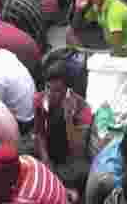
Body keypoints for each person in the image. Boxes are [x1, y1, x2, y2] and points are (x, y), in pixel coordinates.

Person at [33, 61, 93, 190]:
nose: (50, 94)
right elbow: (39, 133)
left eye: (56, 91)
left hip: (70, 158)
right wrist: (45, 159)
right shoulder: (40, 100)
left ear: (66, 90)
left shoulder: (83, 109)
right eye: (48, 87)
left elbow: (78, 151)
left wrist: (69, 119)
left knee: (82, 172)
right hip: (49, 152)